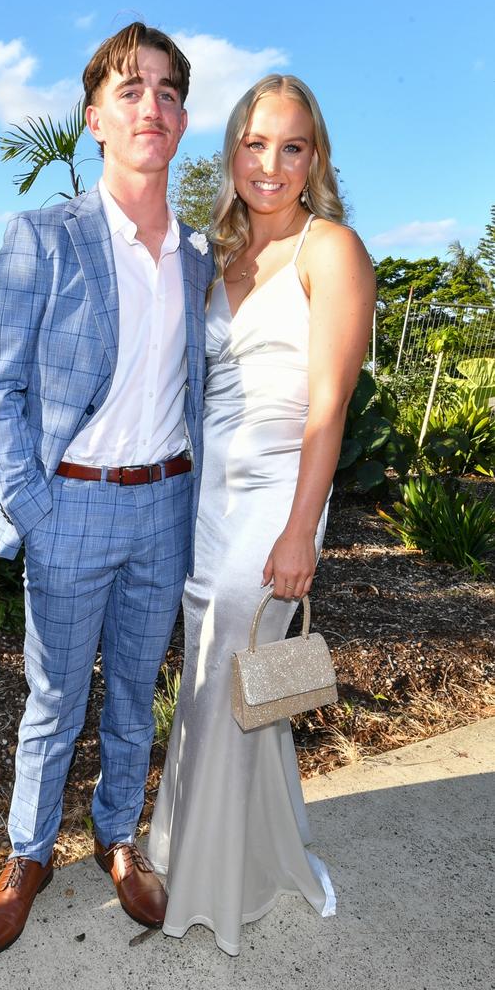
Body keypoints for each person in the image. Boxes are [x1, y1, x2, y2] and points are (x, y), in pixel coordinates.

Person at [0, 22, 212, 957]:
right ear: (96, 118)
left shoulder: (198, 257)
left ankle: (117, 840)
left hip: (165, 509)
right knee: (54, 698)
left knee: (132, 699)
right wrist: (30, 503)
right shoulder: (44, 236)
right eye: (129, 88)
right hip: (68, 504)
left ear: (182, 119)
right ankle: (27, 855)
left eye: (166, 91)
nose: (149, 104)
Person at [148, 73, 375, 956]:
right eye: (254, 144)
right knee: (224, 681)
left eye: (291, 146)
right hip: (208, 502)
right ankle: (240, 847)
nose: (270, 163)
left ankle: (209, 883)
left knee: (216, 677)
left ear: (313, 158)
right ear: (233, 150)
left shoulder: (332, 250)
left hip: (280, 499)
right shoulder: (218, 253)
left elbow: (330, 407)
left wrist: (299, 530)